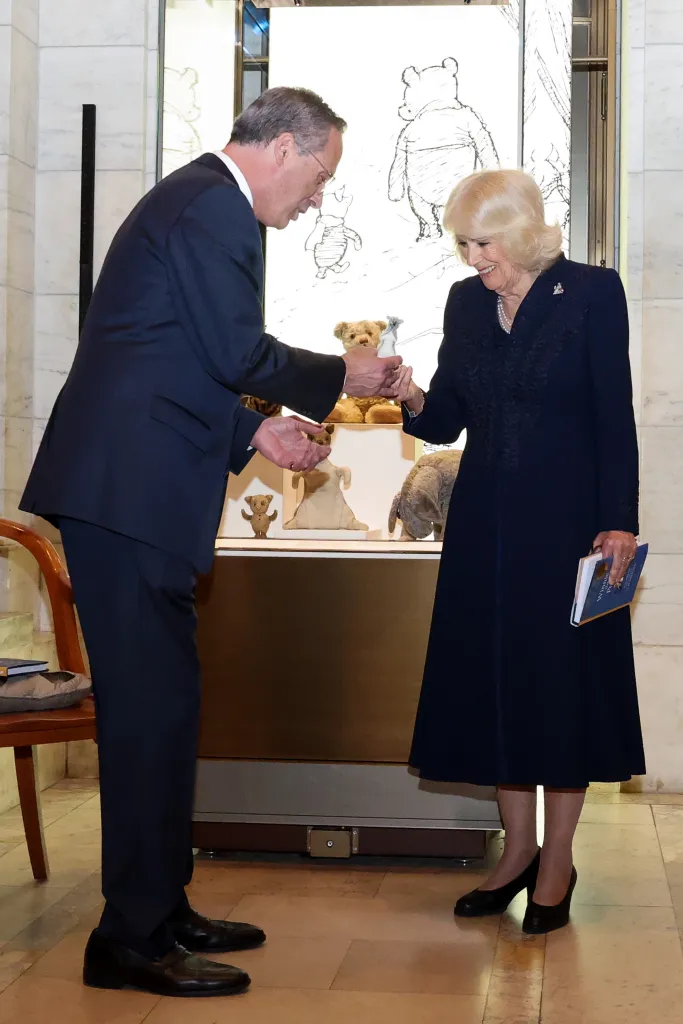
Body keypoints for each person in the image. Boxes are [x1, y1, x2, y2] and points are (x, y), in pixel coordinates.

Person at [20, 87, 401, 998]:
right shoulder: (208, 207)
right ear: (277, 148)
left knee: (169, 709)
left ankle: (160, 906)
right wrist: (341, 376)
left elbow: (168, 355)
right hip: (125, 494)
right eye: (318, 176)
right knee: (147, 716)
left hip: (138, 487)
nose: (316, 199)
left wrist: (253, 437)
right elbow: (234, 350)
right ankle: (128, 941)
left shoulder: (203, 207)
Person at [393, 169, 644, 935]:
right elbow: (444, 422)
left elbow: (613, 411)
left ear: (525, 233)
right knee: (498, 688)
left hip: (570, 527)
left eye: (486, 242)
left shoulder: (592, 292)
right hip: (484, 530)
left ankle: (557, 862)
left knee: (559, 693)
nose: (474, 258)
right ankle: (516, 853)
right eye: (464, 243)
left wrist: (619, 522)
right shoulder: (466, 303)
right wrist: (406, 393)